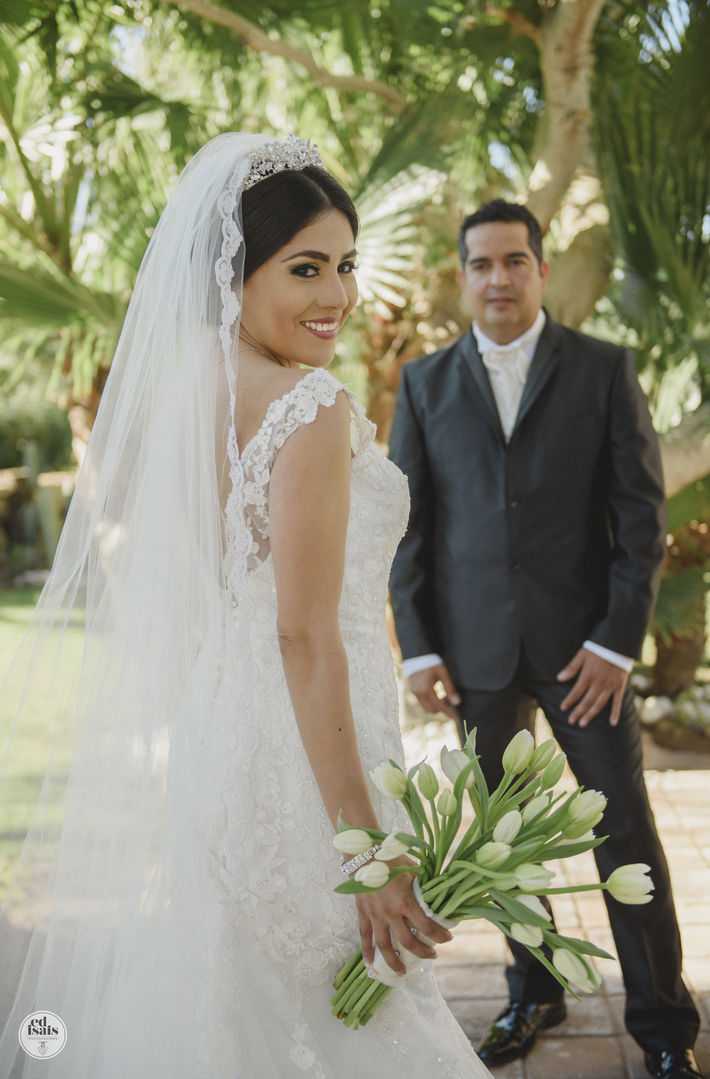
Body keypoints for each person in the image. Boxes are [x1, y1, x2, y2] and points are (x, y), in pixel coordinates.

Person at [0, 134, 490, 1077]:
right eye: (304, 268)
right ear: (236, 272)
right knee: (339, 1010)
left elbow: (207, 584)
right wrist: (368, 849)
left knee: (227, 993)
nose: (336, 296)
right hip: (310, 756)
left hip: (225, 732)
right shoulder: (308, 405)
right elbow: (306, 637)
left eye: (346, 266)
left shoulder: (190, 389)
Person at [388, 199, 703, 1079]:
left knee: (625, 834)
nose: (499, 278)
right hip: (475, 656)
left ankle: (665, 1026)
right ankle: (536, 989)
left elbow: (642, 517)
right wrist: (418, 645)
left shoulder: (604, 369)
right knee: (503, 840)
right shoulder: (424, 383)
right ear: (462, 277)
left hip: (585, 659)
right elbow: (411, 529)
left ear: (540, 268)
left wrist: (616, 641)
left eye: (515, 261)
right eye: (482, 264)